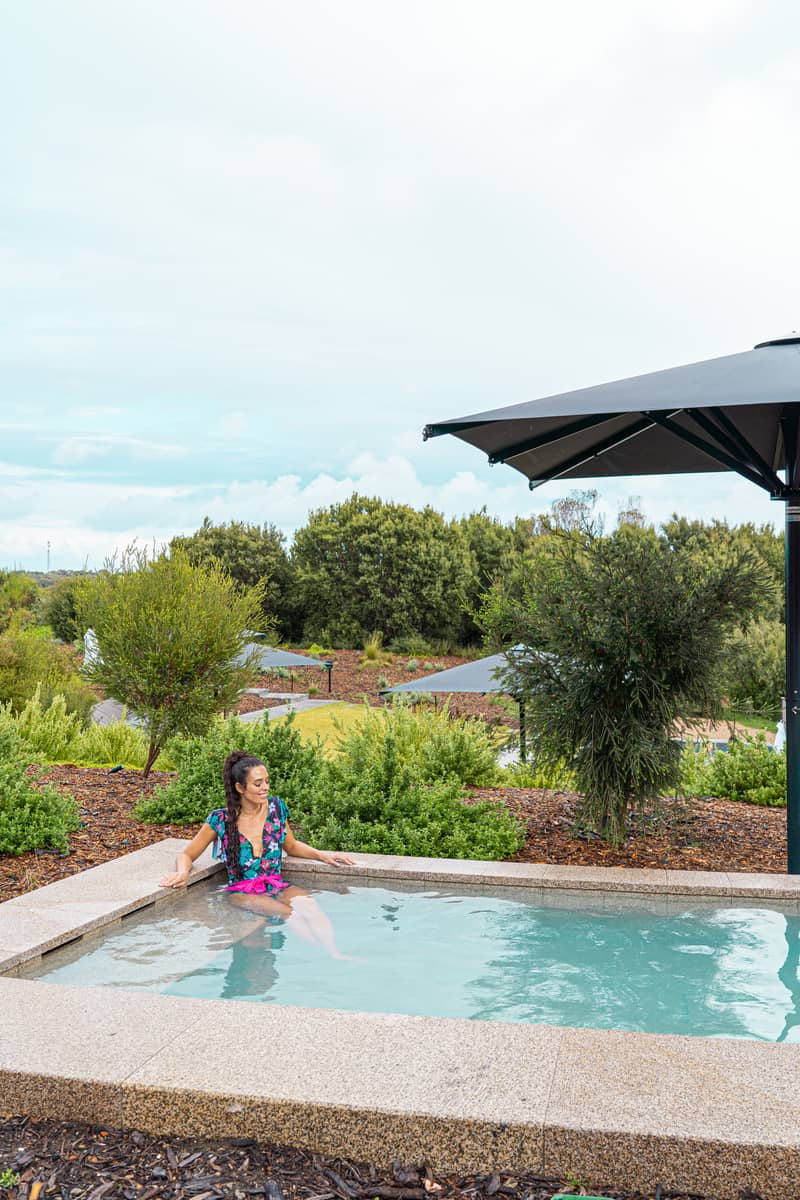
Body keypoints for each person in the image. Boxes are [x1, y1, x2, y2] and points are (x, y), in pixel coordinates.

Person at [159, 749, 356, 959]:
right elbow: (187, 855)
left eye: (267, 782)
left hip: (276, 883)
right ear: (240, 787)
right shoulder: (221, 820)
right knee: (289, 913)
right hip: (243, 892)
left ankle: (335, 954)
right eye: (258, 783)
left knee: (310, 906)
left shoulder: (276, 809)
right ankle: (327, 957)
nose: (265, 788)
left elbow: (291, 845)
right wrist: (182, 873)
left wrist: (323, 855)